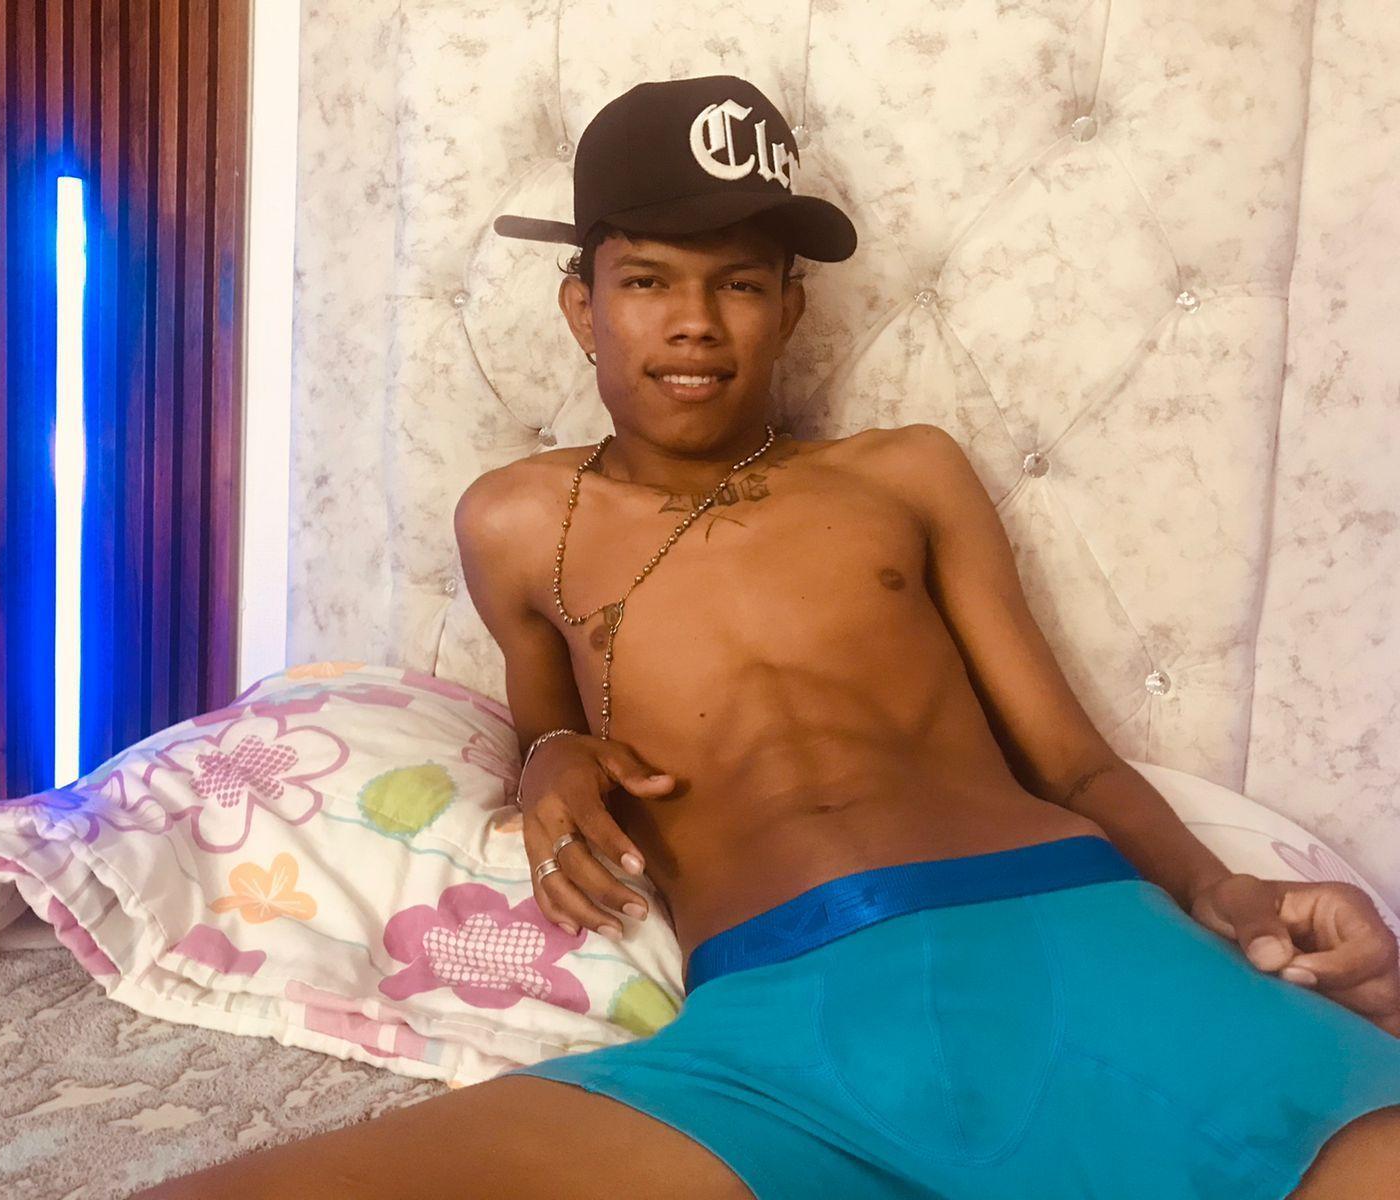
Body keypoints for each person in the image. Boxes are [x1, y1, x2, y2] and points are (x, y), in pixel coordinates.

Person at [135, 74, 1400, 1199]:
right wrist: (548, 759)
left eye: (739, 283)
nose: (695, 322)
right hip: (779, 1037)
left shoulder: (905, 475)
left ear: (789, 311)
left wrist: (1223, 891)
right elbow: (546, 718)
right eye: (647, 281)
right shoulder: (517, 519)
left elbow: (1073, 763)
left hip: (1085, 944)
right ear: (581, 305)